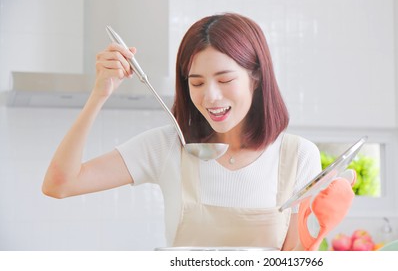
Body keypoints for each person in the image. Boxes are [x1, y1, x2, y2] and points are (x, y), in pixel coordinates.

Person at [42, 13, 323, 250]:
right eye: (197, 83)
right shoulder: (167, 146)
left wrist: (320, 224)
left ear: (257, 76)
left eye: (224, 79)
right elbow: (59, 184)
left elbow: (294, 260)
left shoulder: (298, 156)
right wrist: (99, 94)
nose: (210, 97)